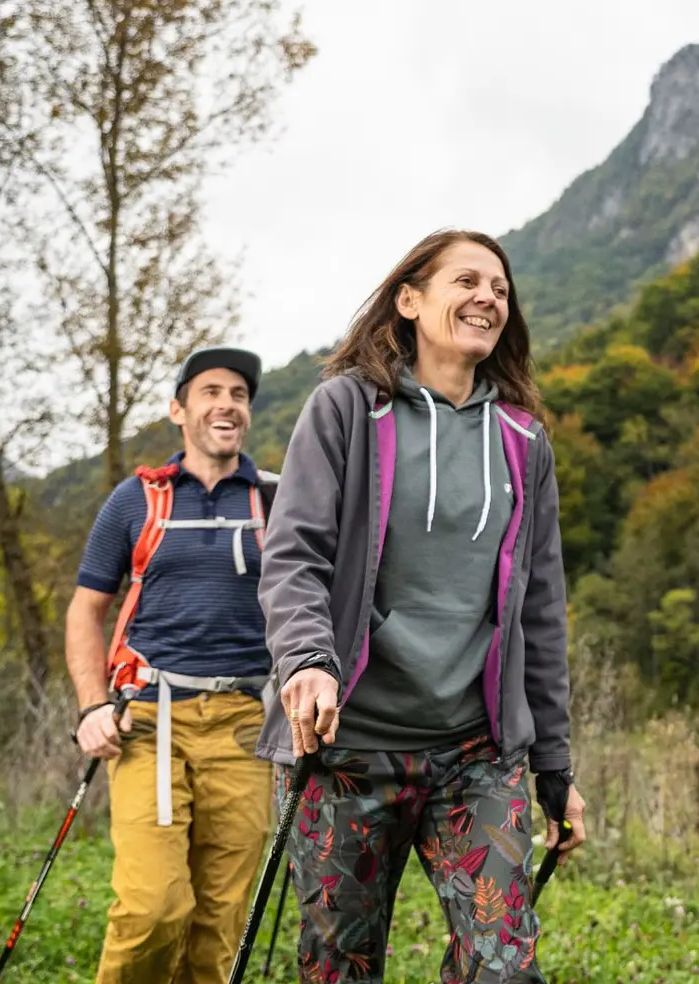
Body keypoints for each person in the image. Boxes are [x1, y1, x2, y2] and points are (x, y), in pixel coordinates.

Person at [254, 229, 586, 983]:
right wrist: (307, 660)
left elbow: (540, 613)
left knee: (503, 970)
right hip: (347, 749)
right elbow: (294, 553)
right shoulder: (344, 411)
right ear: (409, 300)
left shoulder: (523, 443)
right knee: (340, 966)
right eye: (465, 281)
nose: (487, 298)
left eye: (499, 289)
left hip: (474, 754)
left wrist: (557, 773)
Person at [65, 346, 276, 984]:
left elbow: (317, 602)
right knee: (154, 906)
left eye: (238, 394)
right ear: (178, 410)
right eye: (211, 391)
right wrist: (92, 705)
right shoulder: (135, 501)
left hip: (246, 724)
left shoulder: (278, 499)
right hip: (150, 719)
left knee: (222, 921)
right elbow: (85, 611)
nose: (227, 404)